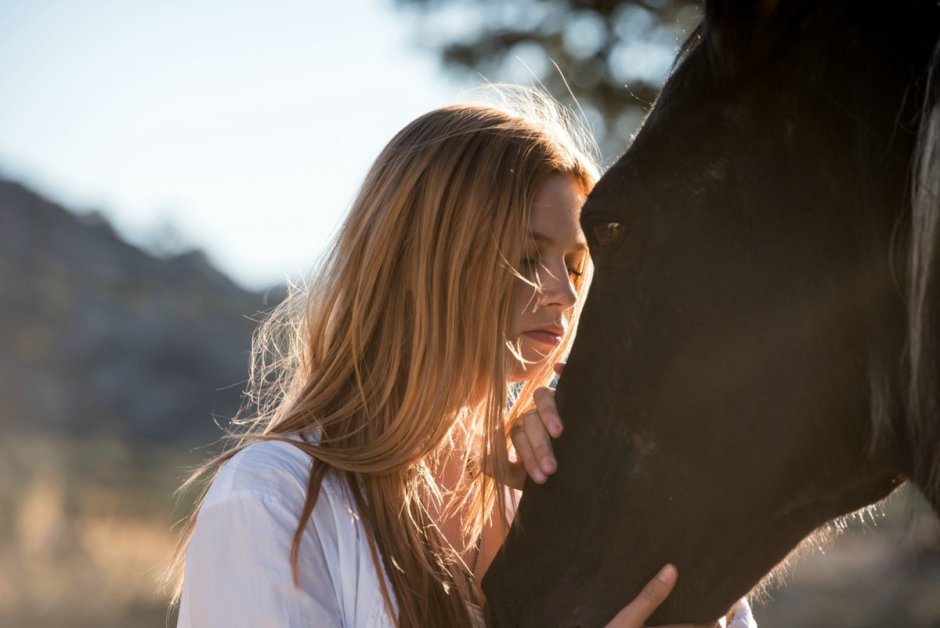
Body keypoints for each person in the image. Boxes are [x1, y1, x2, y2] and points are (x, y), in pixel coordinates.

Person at [169, 88, 755, 628]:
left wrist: (635, 489)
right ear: (424, 265)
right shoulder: (272, 502)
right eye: (528, 259)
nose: (565, 293)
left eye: (576, 265)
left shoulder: (549, 486)